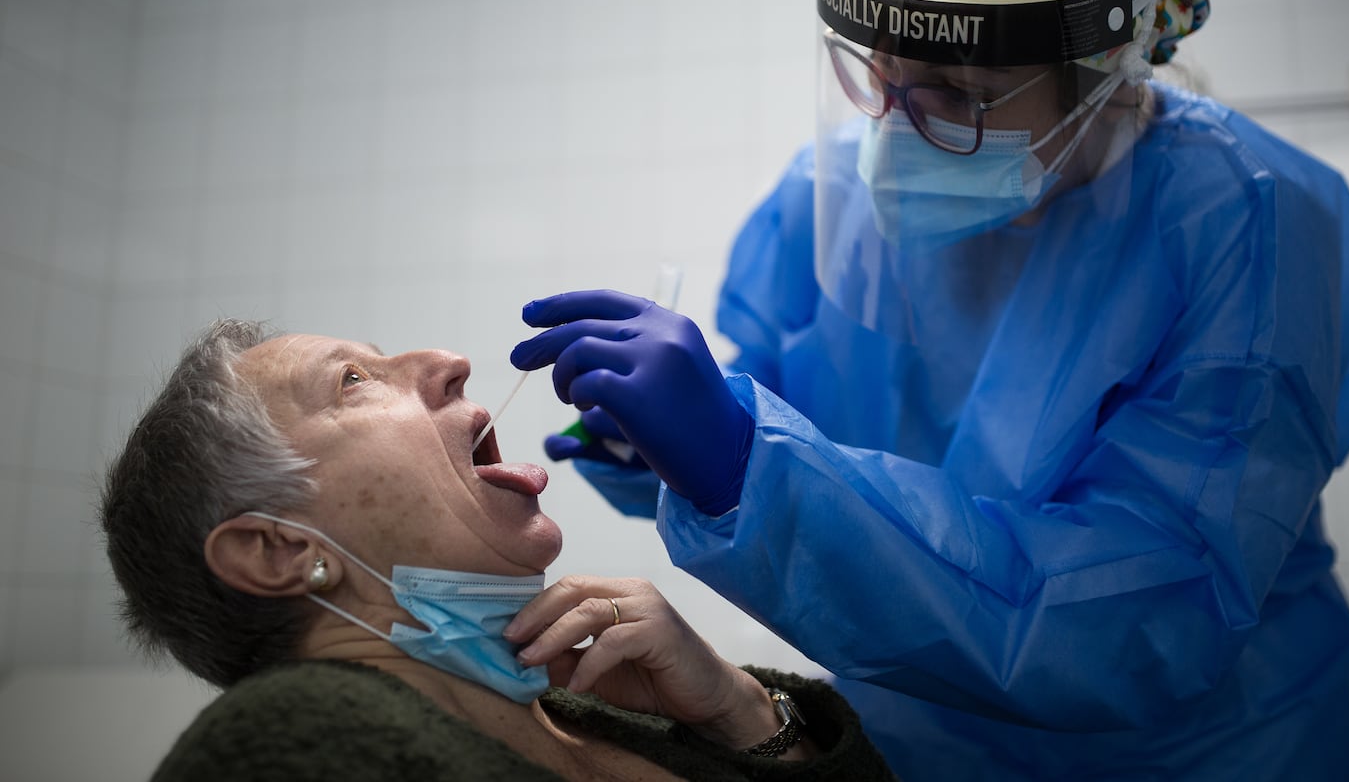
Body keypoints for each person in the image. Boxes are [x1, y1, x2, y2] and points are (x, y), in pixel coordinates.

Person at [508, 0, 1349, 782]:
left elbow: (1147, 610)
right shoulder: (828, 193)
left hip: (1205, 750)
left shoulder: (1246, 219)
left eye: (955, 95)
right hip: (915, 734)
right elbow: (782, 396)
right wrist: (672, 441)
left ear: (1104, 74)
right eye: (877, 78)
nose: (893, 129)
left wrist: (750, 465)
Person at [98, 319, 896, 781]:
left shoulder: (593, 712)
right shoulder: (277, 747)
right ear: (274, 551)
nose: (448, 363)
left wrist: (736, 708)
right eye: (351, 381)